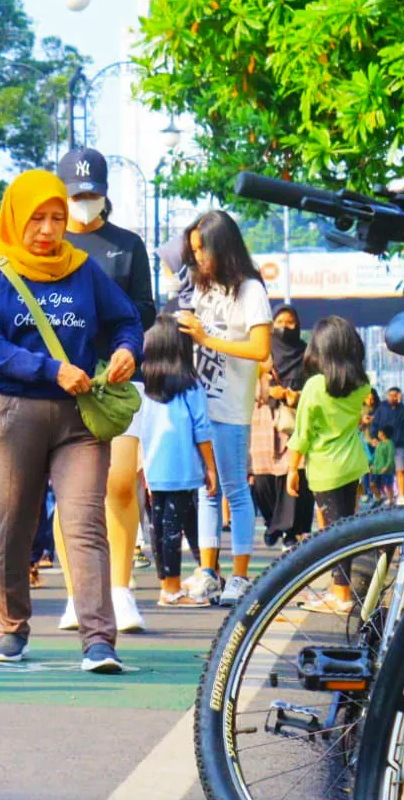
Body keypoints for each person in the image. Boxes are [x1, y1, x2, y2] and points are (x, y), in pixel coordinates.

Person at [0, 169, 143, 672]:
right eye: (36, 218)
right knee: (13, 523)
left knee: (85, 524)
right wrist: (50, 369)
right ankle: (10, 627)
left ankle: (99, 640)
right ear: (15, 217)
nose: (47, 229)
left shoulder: (85, 270)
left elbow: (127, 319)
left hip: (79, 419)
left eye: (57, 218)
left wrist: (128, 350)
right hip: (11, 414)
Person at [54, 148, 157, 634]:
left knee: (118, 482)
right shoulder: (50, 245)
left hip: (117, 375)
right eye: (76, 195)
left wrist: (125, 343)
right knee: (71, 491)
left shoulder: (127, 245)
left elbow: (145, 308)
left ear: (105, 193)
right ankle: (77, 595)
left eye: (91, 193)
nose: (84, 202)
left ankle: (119, 590)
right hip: (63, 376)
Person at [176, 210, 272, 607]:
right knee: (208, 490)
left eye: (203, 249)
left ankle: (240, 577)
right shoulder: (202, 288)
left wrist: (206, 338)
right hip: (201, 404)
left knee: (234, 489)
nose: (197, 257)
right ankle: (208, 572)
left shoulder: (250, 290)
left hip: (231, 405)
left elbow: (260, 349)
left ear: (223, 246)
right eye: (194, 250)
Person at [287, 316, 371, 614]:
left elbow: (302, 433)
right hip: (353, 464)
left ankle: (341, 596)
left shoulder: (314, 386)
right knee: (345, 527)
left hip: (325, 468)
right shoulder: (362, 385)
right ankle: (336, 590)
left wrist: (292, 469)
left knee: (333, 534)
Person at [132, 316, 217, 606]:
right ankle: (172, 589)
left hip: (154, 468)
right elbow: (201, 430)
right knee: (174, 527)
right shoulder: (190, 385)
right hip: (182, 468)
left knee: (159, 527)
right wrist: (210, 467)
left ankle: (171, 584)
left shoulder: (144, 386)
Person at [251, 305, 313, 545]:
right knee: (263, 479)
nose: (285, 327)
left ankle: (290, 532)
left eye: (290, 323)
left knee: (292, 472)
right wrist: (268, 390)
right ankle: (272, 523)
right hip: (264, 421)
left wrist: (296, 396)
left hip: (293, 420)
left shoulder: (306, 354)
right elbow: (246, 385)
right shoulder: (262, 352)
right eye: (280, 322)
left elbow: (314, 385)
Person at [371, 386, 404, 502]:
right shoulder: (382, 408)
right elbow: (375, 424)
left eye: (395, 396)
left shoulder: (402, 408)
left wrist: (401, 403)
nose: (392, 398)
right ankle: (387, 496)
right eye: (390, 395)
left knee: (400, 470)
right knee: (384, 471)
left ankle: (402, 496)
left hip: (399, 444)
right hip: (384, 445)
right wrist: (374, 437)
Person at [369, 429, 397, 505]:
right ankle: (379, 498)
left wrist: (386, 467)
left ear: (383, 434)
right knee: (372, 484)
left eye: (379, 432)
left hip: (386, 469)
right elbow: (376, 456)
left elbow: (390, 457)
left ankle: (391, 500)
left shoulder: (389, 443)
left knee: (388, 485)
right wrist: (372, 465)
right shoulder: (380, 444)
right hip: (377, 469)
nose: (378, 433)